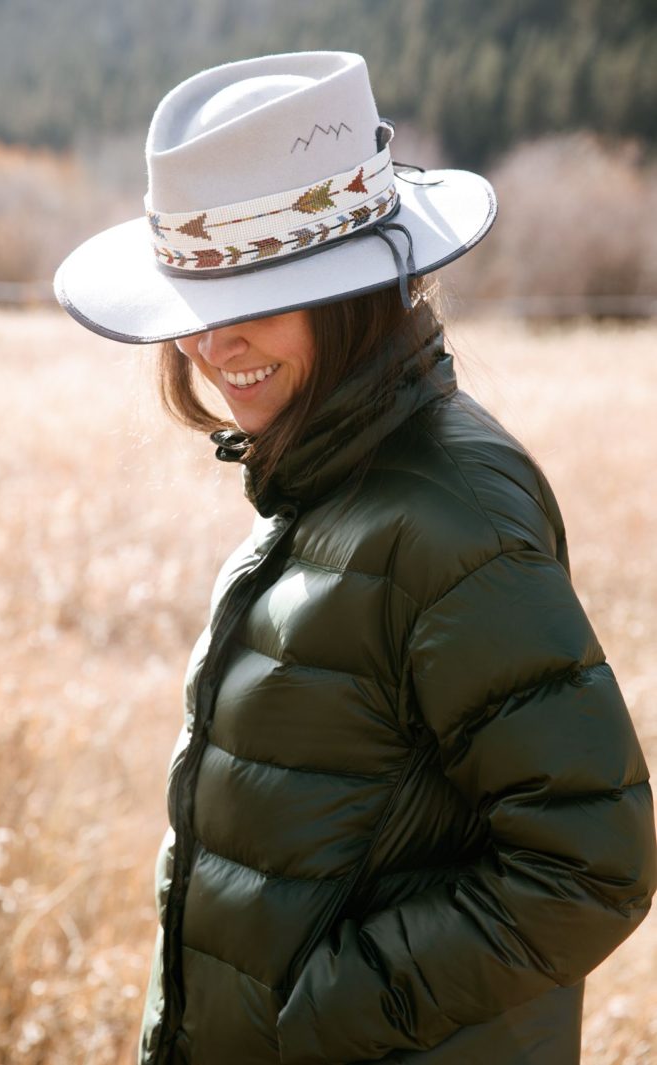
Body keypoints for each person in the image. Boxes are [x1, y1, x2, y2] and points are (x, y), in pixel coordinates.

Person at [55, 51, 656, 1065]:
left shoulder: (450, 514)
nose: (214, 343)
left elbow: (589, 862)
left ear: (358, 293)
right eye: (200, 299)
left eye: (264, 294)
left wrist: (321, 1017)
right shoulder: (328, 478)